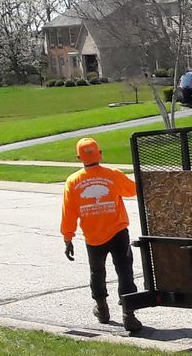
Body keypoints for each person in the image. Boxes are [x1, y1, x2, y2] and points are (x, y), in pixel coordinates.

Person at [61, 137, 143, 333]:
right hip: (118, 232)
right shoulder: (112, 175)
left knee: (97, 273)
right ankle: (128, 315)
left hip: (93, 237)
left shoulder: (73, 182)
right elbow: (134, 190)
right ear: (100, 153)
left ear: (78, 157)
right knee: (124, 271)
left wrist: (68, 238)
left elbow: (68, 212)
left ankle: (102, 310)